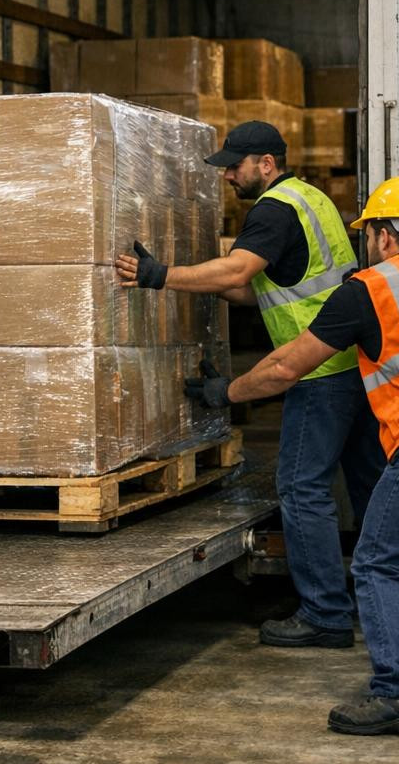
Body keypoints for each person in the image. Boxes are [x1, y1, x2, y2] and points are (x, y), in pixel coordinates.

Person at [189, 177, 399, 736]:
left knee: (379, 565)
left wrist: (227, 392)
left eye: (367, 234)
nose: (366, 244)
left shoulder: (370, 289)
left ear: (385, 237)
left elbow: (288, 366)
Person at [116, 120, 384, 649]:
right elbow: (264, 288)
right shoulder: (314, 200)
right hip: (354, 365)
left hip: (318, 373)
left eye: (235, 167)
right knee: (368, 483)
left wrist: (160, 276)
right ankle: (386, 595)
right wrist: (199, 284)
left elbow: (239, 274)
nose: (229, 178)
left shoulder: (274, 209)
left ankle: (325, 615)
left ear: (266, 163)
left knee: (302, 489)